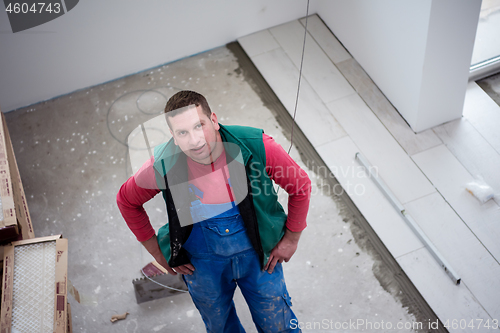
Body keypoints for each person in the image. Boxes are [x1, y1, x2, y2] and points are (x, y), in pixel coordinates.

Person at [117, 90, 311, 332]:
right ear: (174, 137)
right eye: (183, 132)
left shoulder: (256, 146)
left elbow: (300, 185)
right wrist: (158, 252)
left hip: (260, 256)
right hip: (202, 265)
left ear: (215, 120)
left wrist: (292, 238)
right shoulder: (163, 165)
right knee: (220, 325)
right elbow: (126, 200)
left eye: (199, 126)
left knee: (278, 323)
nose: (195, 140)